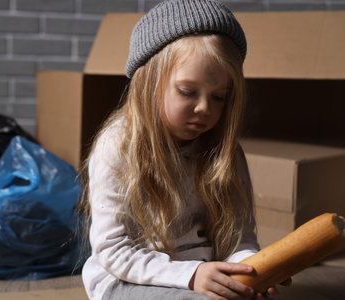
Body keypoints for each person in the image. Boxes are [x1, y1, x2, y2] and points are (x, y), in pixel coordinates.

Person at [77, 0, 291, 299]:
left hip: (203, 274)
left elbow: (239, 241)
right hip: (126, 281)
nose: (204, 108)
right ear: (145, 83)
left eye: (219, 97)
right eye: (187, 92)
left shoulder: (224, 152)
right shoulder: (117, 146)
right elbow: (114, 251)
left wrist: (253, 271)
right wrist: (190, 275)